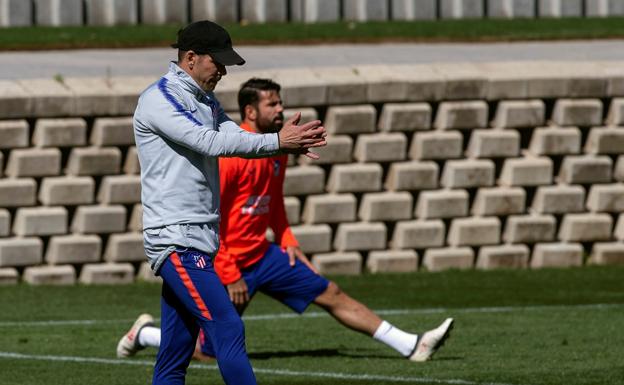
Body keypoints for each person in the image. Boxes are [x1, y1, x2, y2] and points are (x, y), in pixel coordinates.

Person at [119, 77, 454, 368]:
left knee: (330, 292)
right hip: (230, 261)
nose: (280, 110)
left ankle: (411, 344)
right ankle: (146, 334)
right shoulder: (234, 157)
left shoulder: (276, 150)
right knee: (208, 350)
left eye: (280, 102)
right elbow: (211, 214)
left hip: (264, 256)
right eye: (272, 104)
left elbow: (273, 203)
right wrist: (229, 271)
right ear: (250, 111)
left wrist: (289, 239)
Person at [128, 20, 327, 385]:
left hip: (199, 238)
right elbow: (209, 142)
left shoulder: (205, 100)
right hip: (176, 240)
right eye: (217, 62)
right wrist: (277, 142)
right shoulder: (159, 99)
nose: (222, 70)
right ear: (190, 58)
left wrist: (280, 140)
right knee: (227, 325)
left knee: (174, 355)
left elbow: (232, 133)